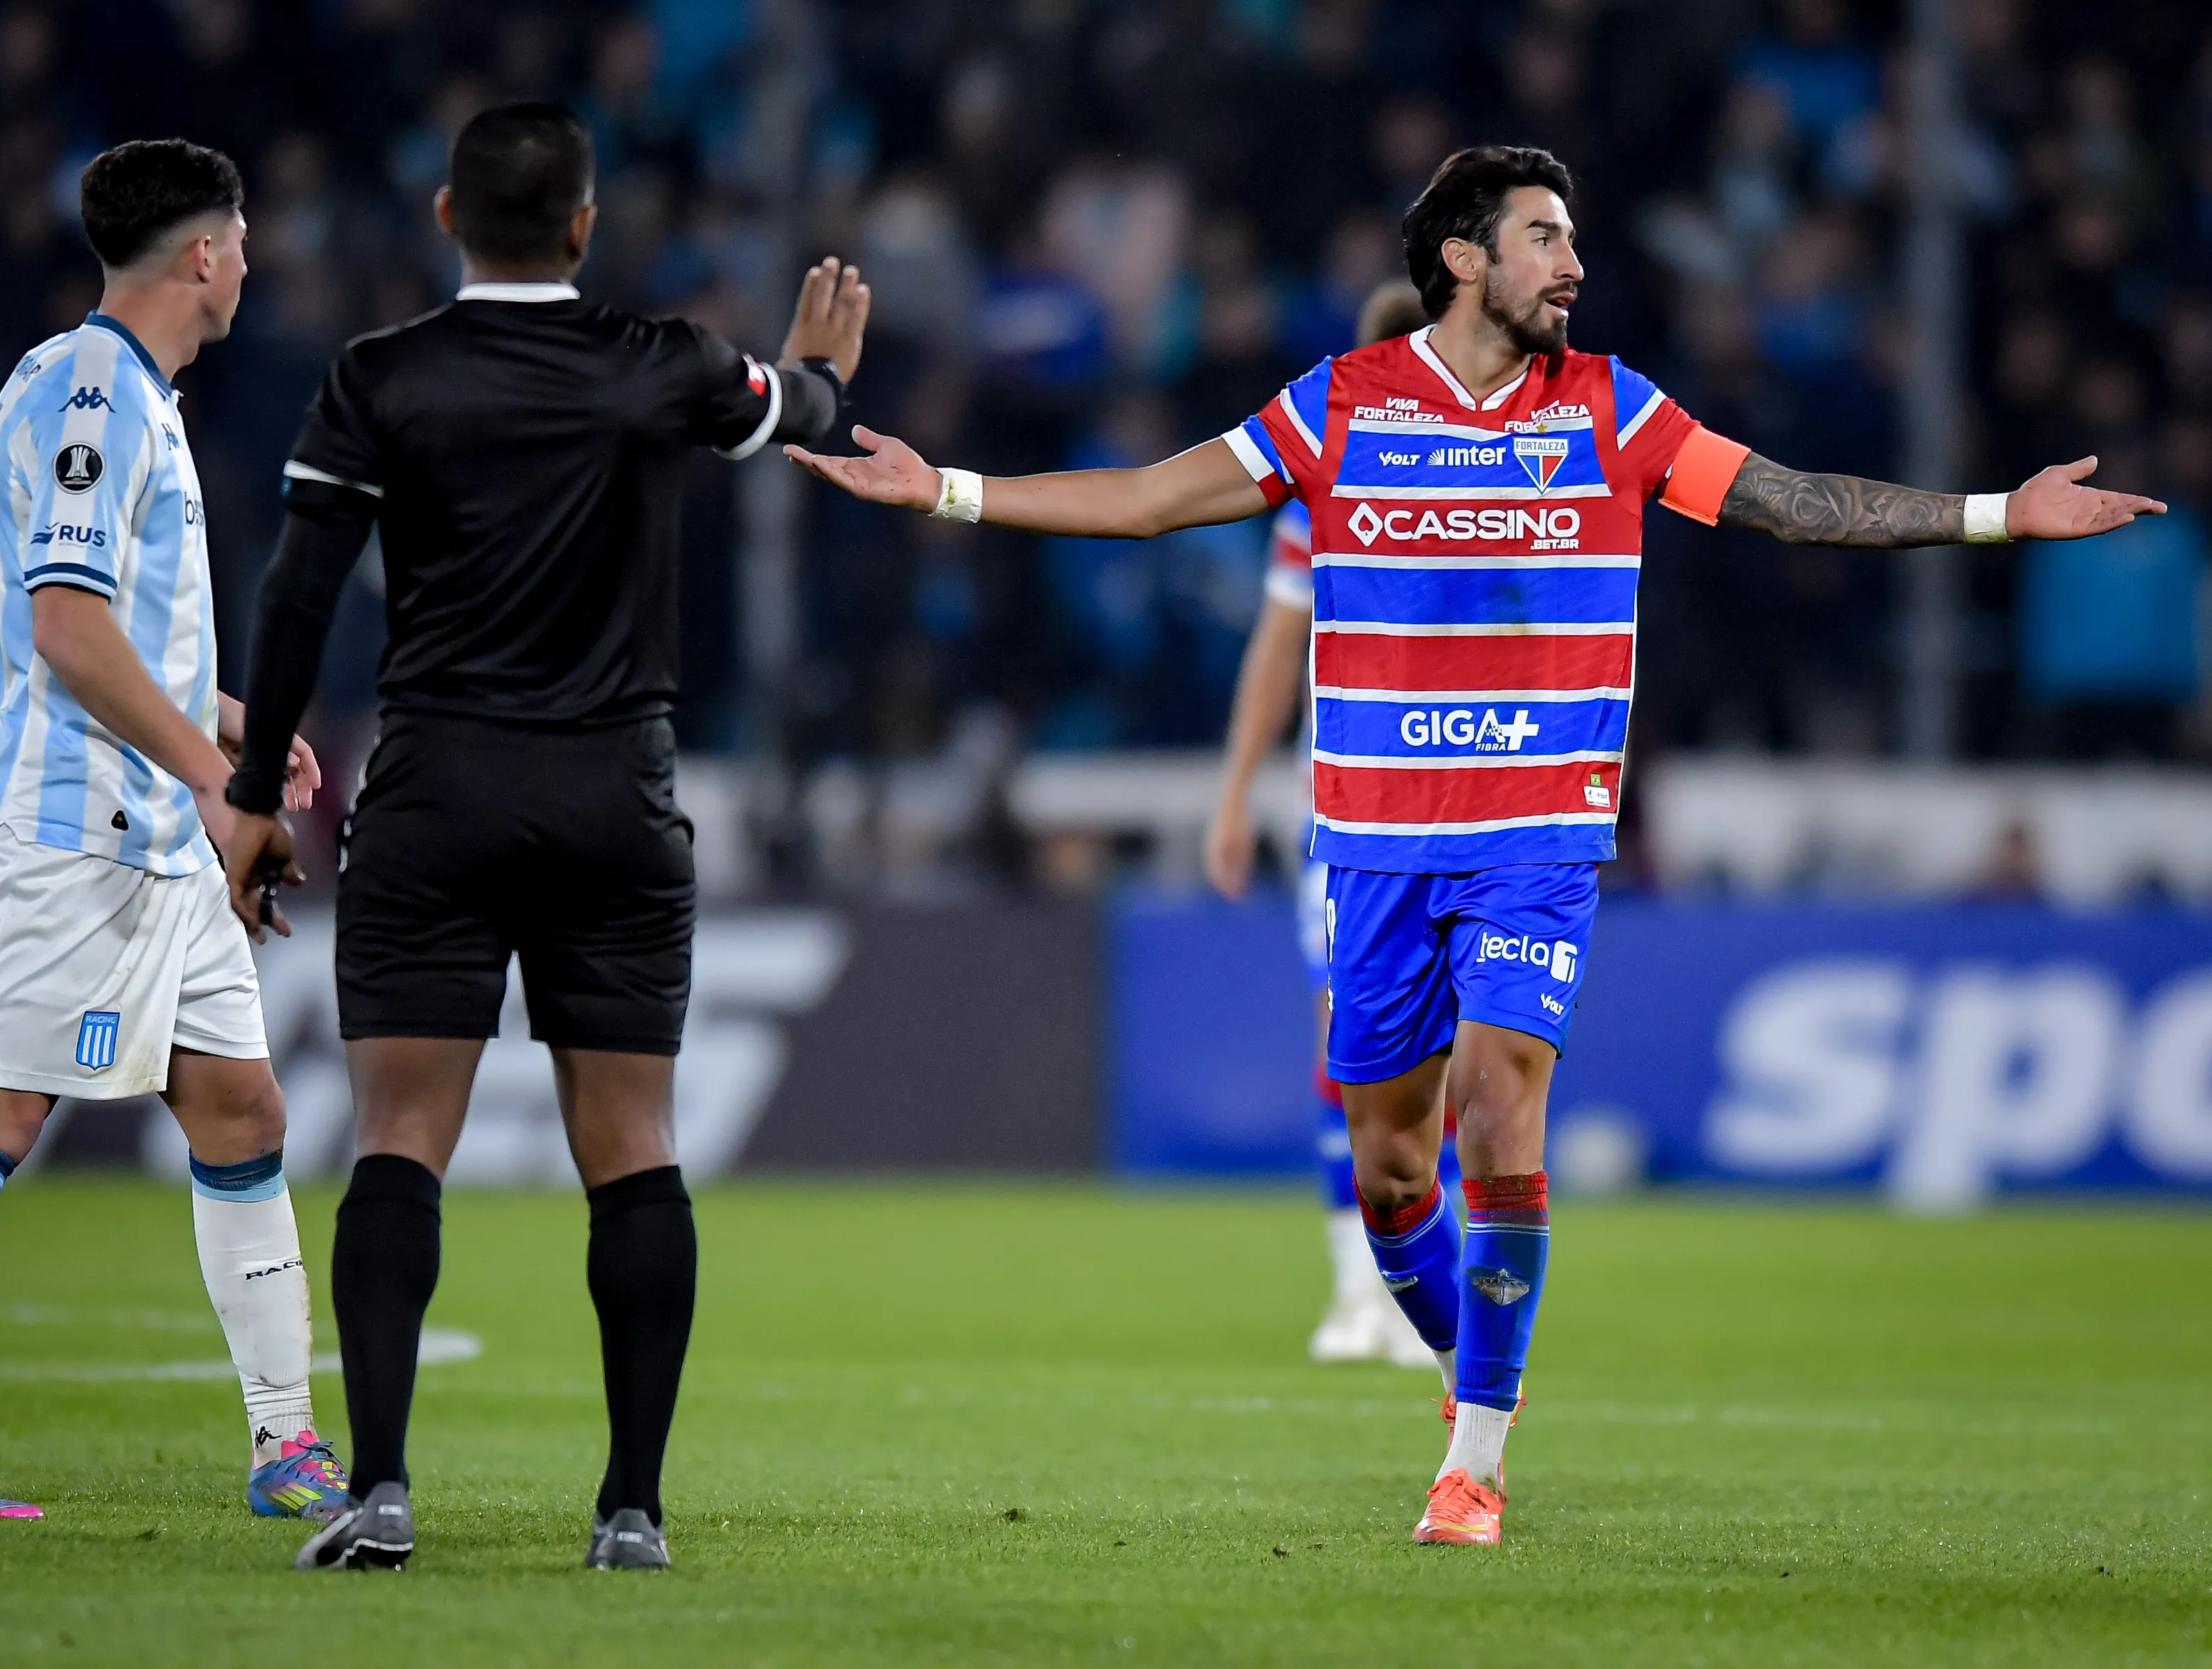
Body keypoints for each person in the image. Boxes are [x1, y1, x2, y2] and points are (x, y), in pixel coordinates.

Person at [789, 144, 2161, 1547]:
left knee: (1501, 1102)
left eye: (1571, 241)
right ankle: (1466, 1372)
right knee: (1392, 1170)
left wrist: (2002, 516)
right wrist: (943, 489)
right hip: (1378, 847)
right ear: (1462, 256)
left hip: (1537, 835)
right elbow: (1147, 495)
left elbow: (1795, 501)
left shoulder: (1614, 412)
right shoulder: (1342, 406)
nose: (1572, 265)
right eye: (1544, 238)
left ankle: (1477, 1469)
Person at [219, 101, 868, 1573]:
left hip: (437, 791)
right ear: (584, 226)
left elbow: (297, 596)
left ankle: (376, 1489)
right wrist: (820, 373)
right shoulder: (668, 367)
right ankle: (630, 1510)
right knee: (633, 1146)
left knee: (397, 1138)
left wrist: (256, 795)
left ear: (447, 218)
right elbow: (808, 420)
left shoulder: (380, 378)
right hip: (614, 800)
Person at [0, 139, 343, 1524]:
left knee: (242, 1104)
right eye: (239, 238)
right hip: (76, 823)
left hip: (150, 824)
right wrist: (219, 783)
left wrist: (222, 721)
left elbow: (110, 630)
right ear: (204, 255)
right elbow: (63, 628)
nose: (249, 261)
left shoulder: (129, 399)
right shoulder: (95, 391)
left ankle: (288, 1448)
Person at [1203, 278, 1448, 1369]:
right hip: (1352, 810)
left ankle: (1421, 1288)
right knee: (1349, 1045)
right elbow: (1277, 644)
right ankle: (1365, 1287)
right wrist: (1236, 789)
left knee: (1455, 1064)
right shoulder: (1325, 494)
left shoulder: (1507, 491)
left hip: (1474, 810)